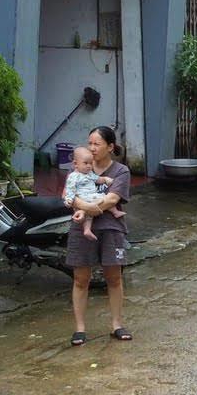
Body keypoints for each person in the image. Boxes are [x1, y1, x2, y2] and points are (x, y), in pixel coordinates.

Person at [66, 126, 131, 346]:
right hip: (81, 229)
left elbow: (113, 199)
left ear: (110, 147)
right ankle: (80, 329)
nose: (92, 148)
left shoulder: (120, 171)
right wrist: (86, 208)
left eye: (97, 144)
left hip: (111, 229)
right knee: (80, 279)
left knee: (114, 278)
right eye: (90, 143)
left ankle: (117, 325)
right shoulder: (80, 165)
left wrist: (86, 208)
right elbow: (68, 194)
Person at [62, 145, 124, 242]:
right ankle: (113, 212)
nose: (89, 166)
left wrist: (106, 179)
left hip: (90, 197)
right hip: (84, 197)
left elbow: (98, 179)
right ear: (75, 164)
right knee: (102, 199)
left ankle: (87, 229)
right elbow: (69, 189)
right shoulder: (73, 176)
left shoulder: (89, 174)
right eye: (85, 163)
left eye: (91, 163)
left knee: (89, 216)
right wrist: (69, 199)